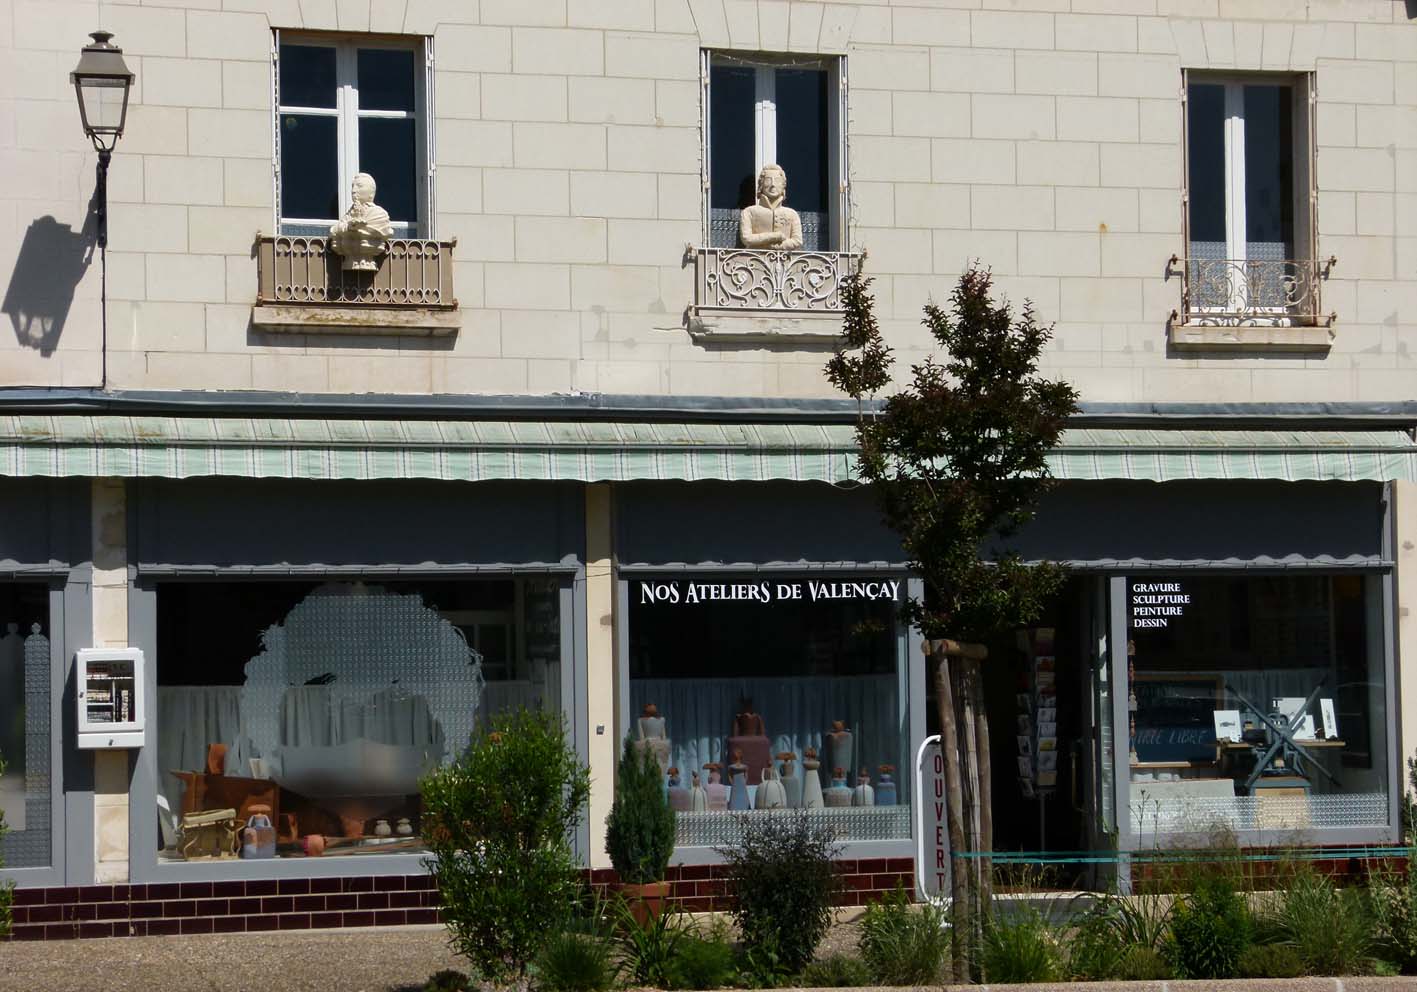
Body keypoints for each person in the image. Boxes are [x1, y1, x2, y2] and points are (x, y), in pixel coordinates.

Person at [328, 172, 393, 271]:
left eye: (359, 186)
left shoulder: (380, 214)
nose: (353, 191)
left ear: (371, 192)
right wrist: (349, 227)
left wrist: (357, 228)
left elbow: (383, 230)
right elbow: (334, 230)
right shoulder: (349, 214)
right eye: (353, 187)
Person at [738, 163, 803, 251]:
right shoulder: (749, 212)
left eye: (777, 180)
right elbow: (747, 238)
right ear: (761, 185)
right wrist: (774, 236)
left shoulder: (792, 214)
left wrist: (774, 247)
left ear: (783, 185)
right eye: (768, 180)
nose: (773, 185)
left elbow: (797, 241)